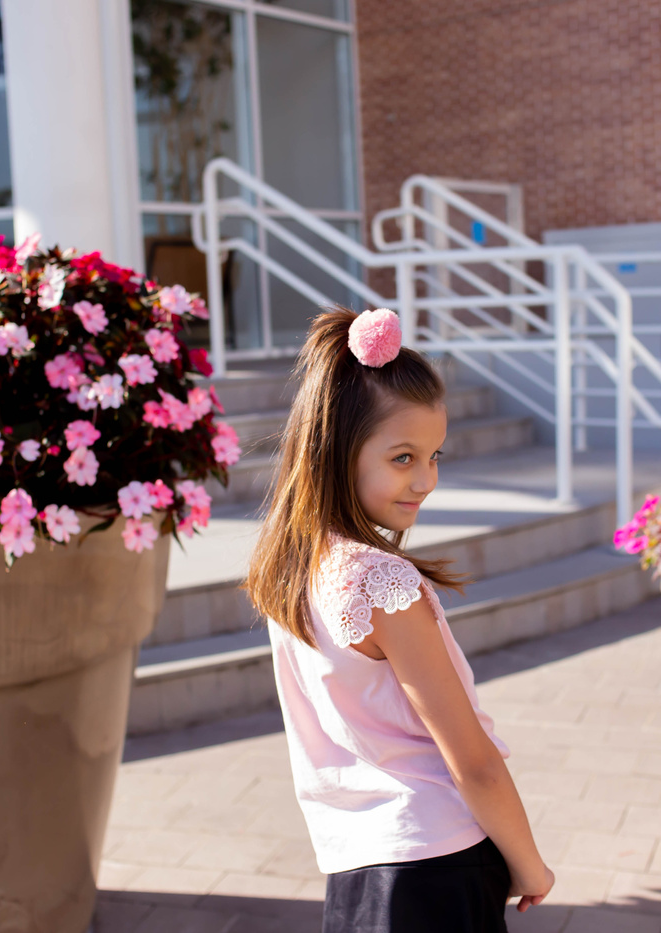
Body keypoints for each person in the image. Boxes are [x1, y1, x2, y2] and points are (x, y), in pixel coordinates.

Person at [246, 307, 555, 933]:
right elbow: (472, 760)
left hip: (354, 865)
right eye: (403, 457)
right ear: (336, 451)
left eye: (434, 455)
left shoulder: (293, 567)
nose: (426, 480)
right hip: (436, 861)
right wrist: (531, 866)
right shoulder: (383, 583)